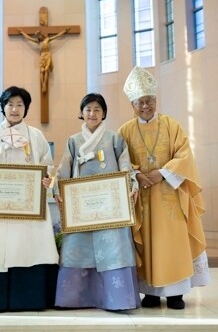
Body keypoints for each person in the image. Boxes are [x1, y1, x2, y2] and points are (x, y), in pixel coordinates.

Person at [118, 66, 211, 310]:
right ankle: (149, 292)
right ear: (133, 104)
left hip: (170, 194)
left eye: (149, 101)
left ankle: (175, 294)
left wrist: (162, 173)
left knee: (172, 242)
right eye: (140, 102)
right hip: (142, 197)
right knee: (147, 243)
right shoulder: (125, 131)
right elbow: (120, 159)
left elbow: (184, 154)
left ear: (155, 100)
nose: (145, 106)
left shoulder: (171, 125)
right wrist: (136, 174)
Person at [0, 86, 59, 313]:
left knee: (30, 246)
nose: (14, 109)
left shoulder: (35, 135)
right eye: (10, 104)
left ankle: (31, 298)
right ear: (3, 108)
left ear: (26, 108)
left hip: (29, 207)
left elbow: (47, 164)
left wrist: (46, 178)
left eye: (19, 105)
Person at [53, 93, 141, 311]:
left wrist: (131, 186)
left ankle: (116, 299)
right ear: (81, 113)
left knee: (113, 248)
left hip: (110, 205)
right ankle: (74, 299)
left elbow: (125, 165)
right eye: (88, 109)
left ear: (104, 114)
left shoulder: (114, 139)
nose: (92, 114)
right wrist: (58, 188)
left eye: (97, 110)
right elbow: (64, 169)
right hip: (81, 207)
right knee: (77, 248)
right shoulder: (74, 141)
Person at [17, 27, 70, 93]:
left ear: (40, 35)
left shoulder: (47, 40)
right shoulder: (38, 42)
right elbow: (28, 38)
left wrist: (64, 31)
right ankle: (43, 85)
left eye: (38, 35)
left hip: (47, 55)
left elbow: (57, 36)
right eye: (37, 36)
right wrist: (22, 33)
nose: (38, 37)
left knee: (46, 70)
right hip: (42, 57)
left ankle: (45, 83)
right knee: (42, 71)